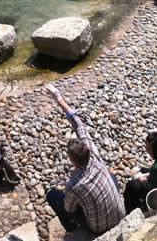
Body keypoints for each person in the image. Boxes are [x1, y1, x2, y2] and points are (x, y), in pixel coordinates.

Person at [44, 84, 125, 236]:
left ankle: (73, 229)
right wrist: (59, 98)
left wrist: (56, 98)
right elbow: (79, 125)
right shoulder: (95, 156)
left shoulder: (74, 184)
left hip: (98, 228)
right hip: (120, 215)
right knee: (111, 177)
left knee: (53, 196)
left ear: (70, 159)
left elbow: (69, 209)